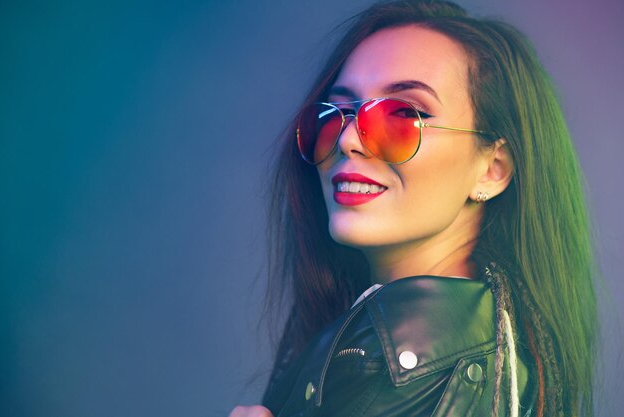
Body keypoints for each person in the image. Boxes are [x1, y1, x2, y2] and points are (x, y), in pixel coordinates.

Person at [229, 0, 597, 416]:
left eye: (404, 114)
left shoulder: (397, 370)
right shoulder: (497, 344)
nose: (348, 140)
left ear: (492, 170)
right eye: (338, 114)